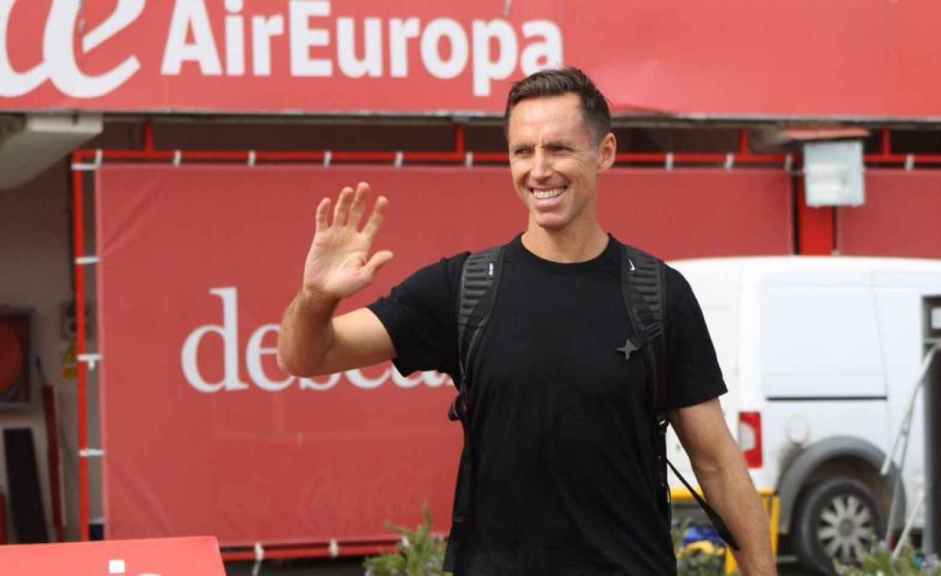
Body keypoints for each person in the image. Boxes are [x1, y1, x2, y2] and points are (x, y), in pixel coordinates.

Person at [278, 67, 776, 576]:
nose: (539, 170)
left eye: (558, 148)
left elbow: (715, 463)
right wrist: (315, 298)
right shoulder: (463, 288)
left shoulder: (659, 294)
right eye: (522, 151)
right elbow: (306, 356)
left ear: (603, 153)